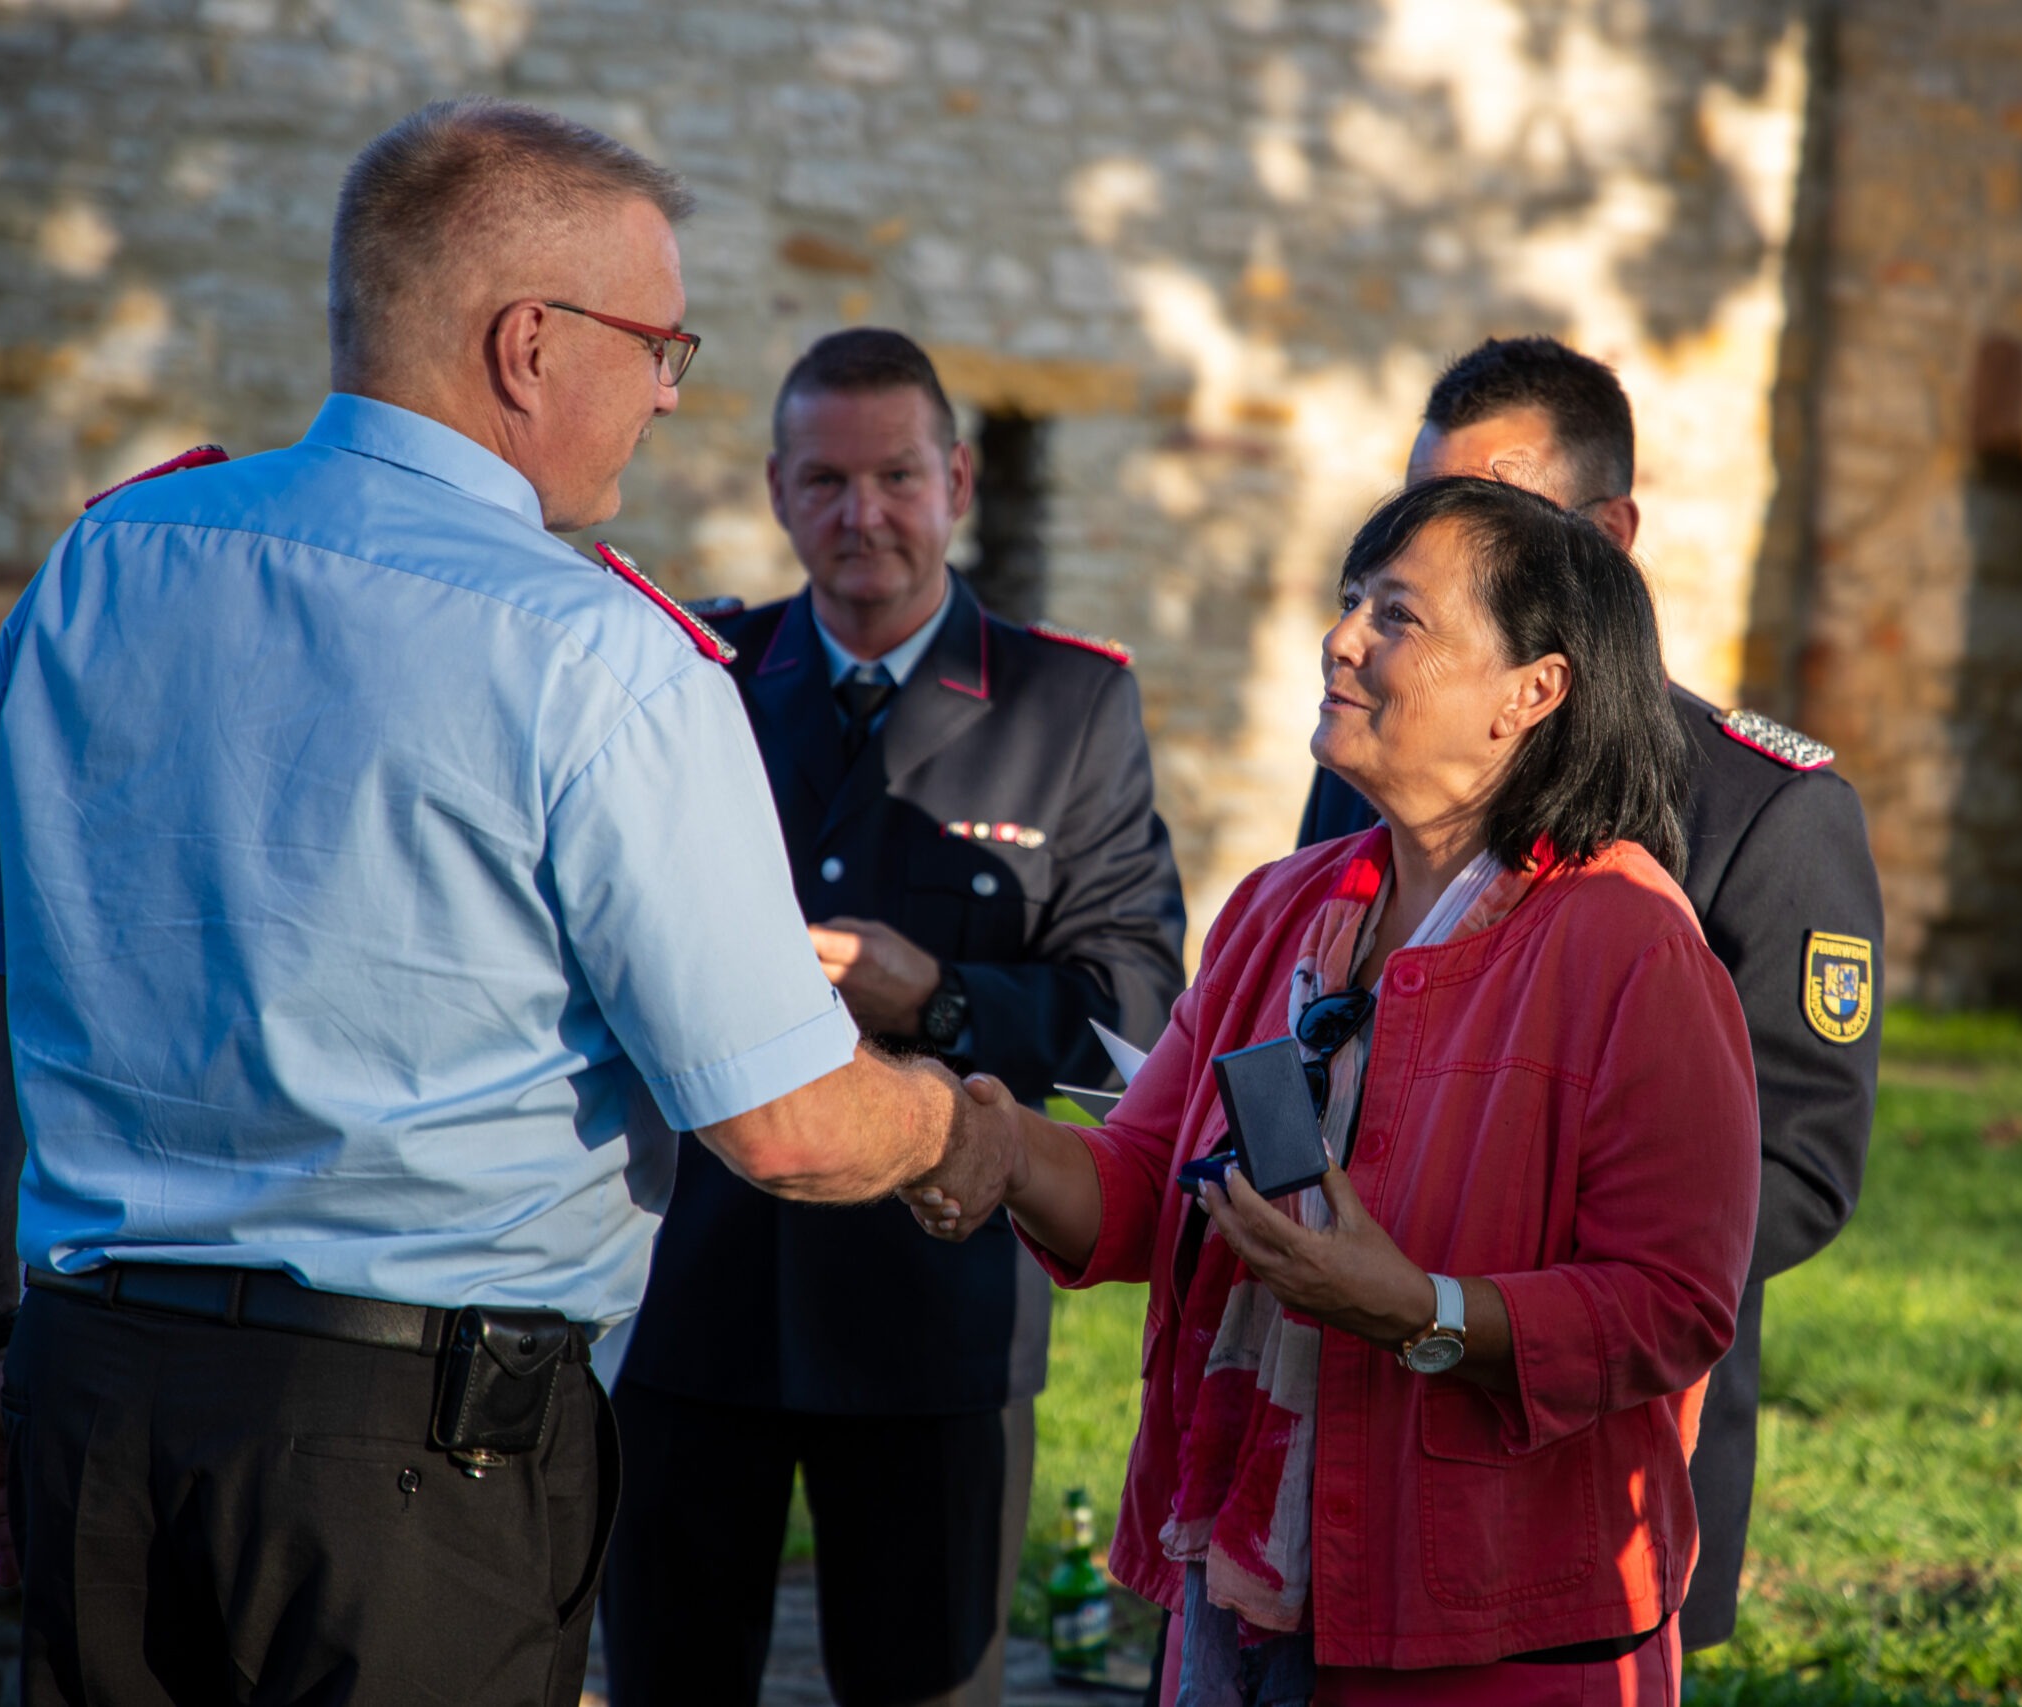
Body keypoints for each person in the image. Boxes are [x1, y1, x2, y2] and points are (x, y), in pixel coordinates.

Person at [0, 98, 979, 1706]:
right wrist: (952, 1125)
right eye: (659, 344)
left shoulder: (105, 560)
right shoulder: (603, 655)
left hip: (98, 1395)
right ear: (527, 346)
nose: (664, 394)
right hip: (407, 1461)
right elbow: (779, 1120)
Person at [910, 476, 1764, 1705]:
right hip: (1246, 1600)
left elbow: (1670, 1307)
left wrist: (1419, 1310)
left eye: (1398, 616)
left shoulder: (1629, 944)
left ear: (1534, 690)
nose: (1341, 636)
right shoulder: (1283, 907)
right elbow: (1147, 1189)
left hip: (1486, 1634)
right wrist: (978, 1142)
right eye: (1351, 598)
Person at [600, 330, 1187, 1707]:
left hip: (939, 1304)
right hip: (696, 1293)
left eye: (897, 476)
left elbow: (1135, 1009)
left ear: (960, 479)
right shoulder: (698, 676)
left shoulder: (1069, 703)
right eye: (826, 479)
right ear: (777, 488)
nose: (863, 514)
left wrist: (942, 995)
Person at [1295, 337, 1884, 1653]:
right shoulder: (1372, 757)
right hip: (1346, 1392)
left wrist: (1468, 1287)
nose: (1451, 541)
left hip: (1594, 1422)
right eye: (1422, 510)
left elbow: (1796, 1158)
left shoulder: (1763, 806)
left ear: (1608, 535)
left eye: (1501, 509)